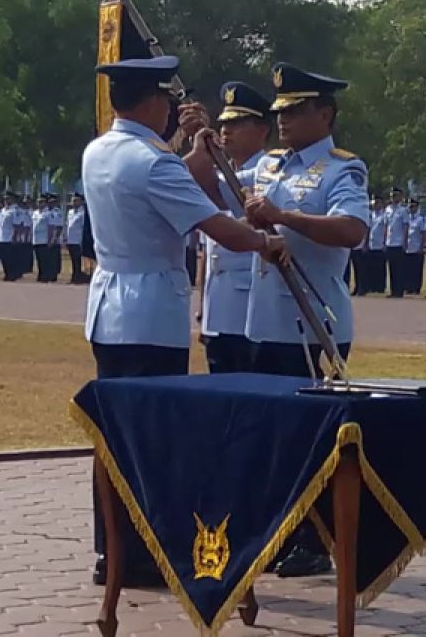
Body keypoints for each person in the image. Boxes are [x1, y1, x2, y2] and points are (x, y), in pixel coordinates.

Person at [84, 56, 288, 588]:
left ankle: (112, 550)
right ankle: (141, 553)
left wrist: (196, 156)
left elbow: (171, 192)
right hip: (150, 311)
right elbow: (215, 223)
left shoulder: (101, 150)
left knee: (113, 437)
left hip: (109, 306)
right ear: (153, 103)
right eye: (168, 104)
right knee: (150, 440)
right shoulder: (154, 162)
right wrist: (264, 241)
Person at [187, 61, 364, 580]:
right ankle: (273, 532)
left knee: (303, 439)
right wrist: (199, 139)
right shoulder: (268, 167)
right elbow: (208, 190)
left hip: (309, 323)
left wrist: (284, 219)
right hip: (259, 322)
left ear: (325, 114)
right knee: (265, 437)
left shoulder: (341, 169)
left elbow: (352, 229)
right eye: (281, 110)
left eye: (296, 110)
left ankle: (311, 539)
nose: (283, 118)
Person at [198, 80, 272, 374]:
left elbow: (214, 191)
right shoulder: (222, 171)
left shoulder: (268, 169)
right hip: (219, 302)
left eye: (238, 123)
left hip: (251, 301)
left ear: (263, 130)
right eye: (224, 122)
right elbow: (208, 248)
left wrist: (197, 151)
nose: (226, 130)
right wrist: (203, 305)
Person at [384, 188, 409, 298]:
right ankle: (393, 290)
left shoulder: (403, 210)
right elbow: (386, 226)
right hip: (390, 242)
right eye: (392, 195)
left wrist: (404, 241)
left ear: (400, 197)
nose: (393, 198)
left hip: (398, 242)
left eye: (395, 195)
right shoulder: (387, 210)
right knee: (391, 267)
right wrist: (384, 240)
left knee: (399, 268)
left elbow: (406, 226)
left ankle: (399, 291)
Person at [366, 194, 388, 295]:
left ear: (381, 204)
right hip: (372, 243)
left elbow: (386, 229)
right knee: (371, 267)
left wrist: (384, 241)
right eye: (374, 203)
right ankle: (372, 286)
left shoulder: (384, 215)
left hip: (380, 244)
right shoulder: (371, 215)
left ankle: (380, 287)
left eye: (377, 203)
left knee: (380, 268)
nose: (375, 205)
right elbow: (369, 229)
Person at [65, 193, 88, 284]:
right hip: (70, 239)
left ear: (81, 202)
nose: (73, 202)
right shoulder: (70, 212)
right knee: (73, 260)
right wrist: (65, 238)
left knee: (78, 260)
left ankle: (78, 277)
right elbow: (68, 225)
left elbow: (84, 227)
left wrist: (83, 240)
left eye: (76, 200)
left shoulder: (83, 213)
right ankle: (74, 277)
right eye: (73, 200)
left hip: (78, 240)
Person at [405, 198, 426, 295]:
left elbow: (423, 233)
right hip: (408, 247)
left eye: (412, 206)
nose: (410, 208)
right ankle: (408, 287)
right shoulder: (406, 218)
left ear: (416, 207)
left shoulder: (420, 219)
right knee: (408, 269)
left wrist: (422, 247)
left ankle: (416, 288)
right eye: (409, 206)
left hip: (417, 247)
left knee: (417, 270)